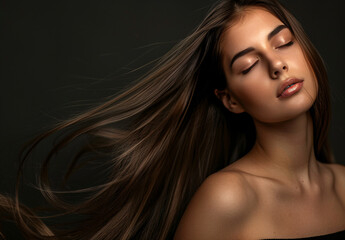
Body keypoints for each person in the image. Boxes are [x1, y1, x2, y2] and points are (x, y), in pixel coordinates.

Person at [1, 0, 344, 239]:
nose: (277, 65)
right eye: (248, 65)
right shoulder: (227, 198)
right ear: (231, 100)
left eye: (283, 43)